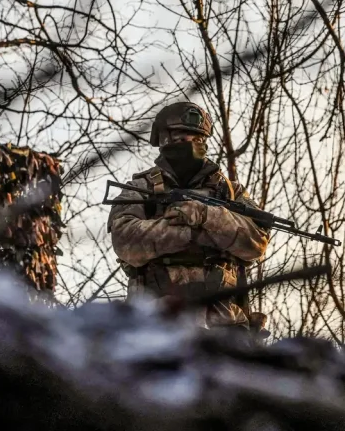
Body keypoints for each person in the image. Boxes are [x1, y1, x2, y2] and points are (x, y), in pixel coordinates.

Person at [106, 102, 270, 334]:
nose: (192, 146)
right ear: (164, 140)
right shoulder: (141, 188)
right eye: (183, 138)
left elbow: (256, 244)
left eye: (198, 139)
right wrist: (188, 232)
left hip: (225, 328)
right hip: (154, 324)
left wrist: (207, 216)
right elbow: (126, 243)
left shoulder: (230, 192)